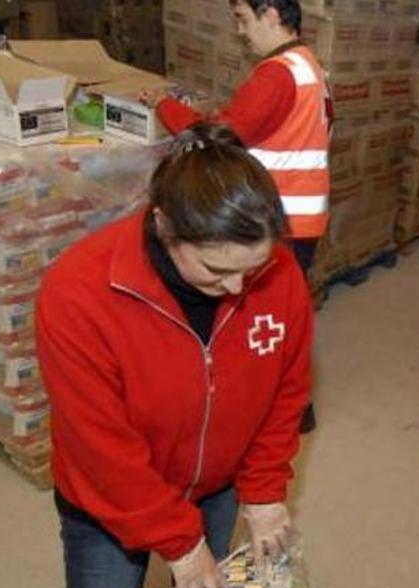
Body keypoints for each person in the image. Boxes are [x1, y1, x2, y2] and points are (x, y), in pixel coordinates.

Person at [36, 123, 313, 588]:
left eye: (252, 268)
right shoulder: (79, 294)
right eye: (217, 270)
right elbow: (100, 449)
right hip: (107, 503)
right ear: (164, 224)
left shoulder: (277, 278)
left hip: (216, 484)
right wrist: (180, 542)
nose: (239, 290)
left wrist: (262, 491)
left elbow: (286, 392)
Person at [155, 0, 327, 432]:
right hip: (300, 216)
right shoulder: (308, 64)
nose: (240, 32)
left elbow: (221, 137)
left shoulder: (277, 73)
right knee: (284, 312)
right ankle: (294, 405)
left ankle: (275, 408)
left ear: (271, 14)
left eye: (243, 19)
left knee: (259, 321)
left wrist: (165, 107)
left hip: (270, 222)